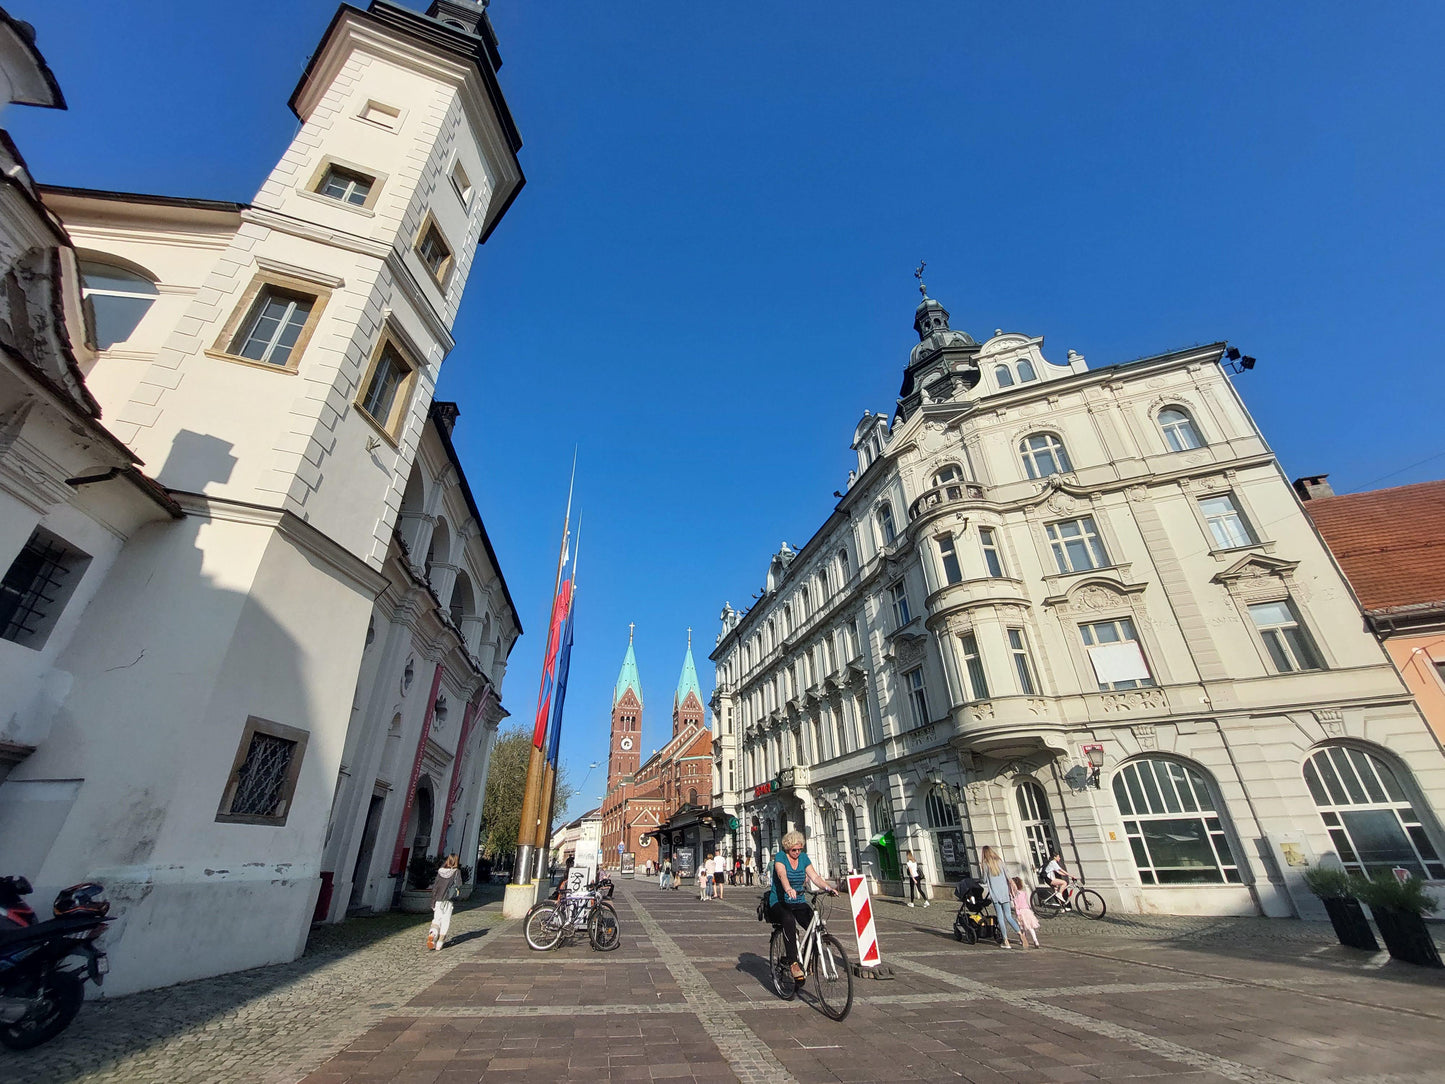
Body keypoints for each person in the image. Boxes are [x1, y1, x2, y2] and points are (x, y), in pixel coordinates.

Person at [766, 830, 837, 982]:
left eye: (799, 849)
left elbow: (815, 877)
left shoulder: (803, 858)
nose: (797, 852)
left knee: (816, 926)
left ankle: (807, 959)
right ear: (787, 848)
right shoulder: (780, 857)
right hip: (780, 901)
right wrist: (788, 888)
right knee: (789, 920)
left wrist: (827, 888)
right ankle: (793, 963)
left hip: (798, 900)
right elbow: (781, 874)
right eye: (794, 850)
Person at [981, 846, 1024, 950]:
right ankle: (1020, 934)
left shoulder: (986, 864)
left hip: (995, 894)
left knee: (1000, 918)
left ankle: (1006, 941)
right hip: (1005, 893)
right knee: (1009, 916)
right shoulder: (1000, 861)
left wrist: (982, 873)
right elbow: (1008, 876)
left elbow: (984, 880)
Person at [426, 853, 461, 951]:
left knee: (437, 919)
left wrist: (433, 901)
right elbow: (459, 884)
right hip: (448, 900)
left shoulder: (440, 872)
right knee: (445, 920)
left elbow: (435, 887)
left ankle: (433, 934)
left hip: (438, 899)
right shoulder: (456, 872)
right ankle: (440, 943)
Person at [1011, 875, 1040, 947]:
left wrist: (1017, 913)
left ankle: (1023, 939)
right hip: (1027, 910)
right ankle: (1035, 941)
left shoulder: (1014, 895)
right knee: (1030, 927)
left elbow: (1016, 905)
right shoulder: (1024, 893)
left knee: (1022, 927)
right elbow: (1026, 902)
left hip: (1021, 911)